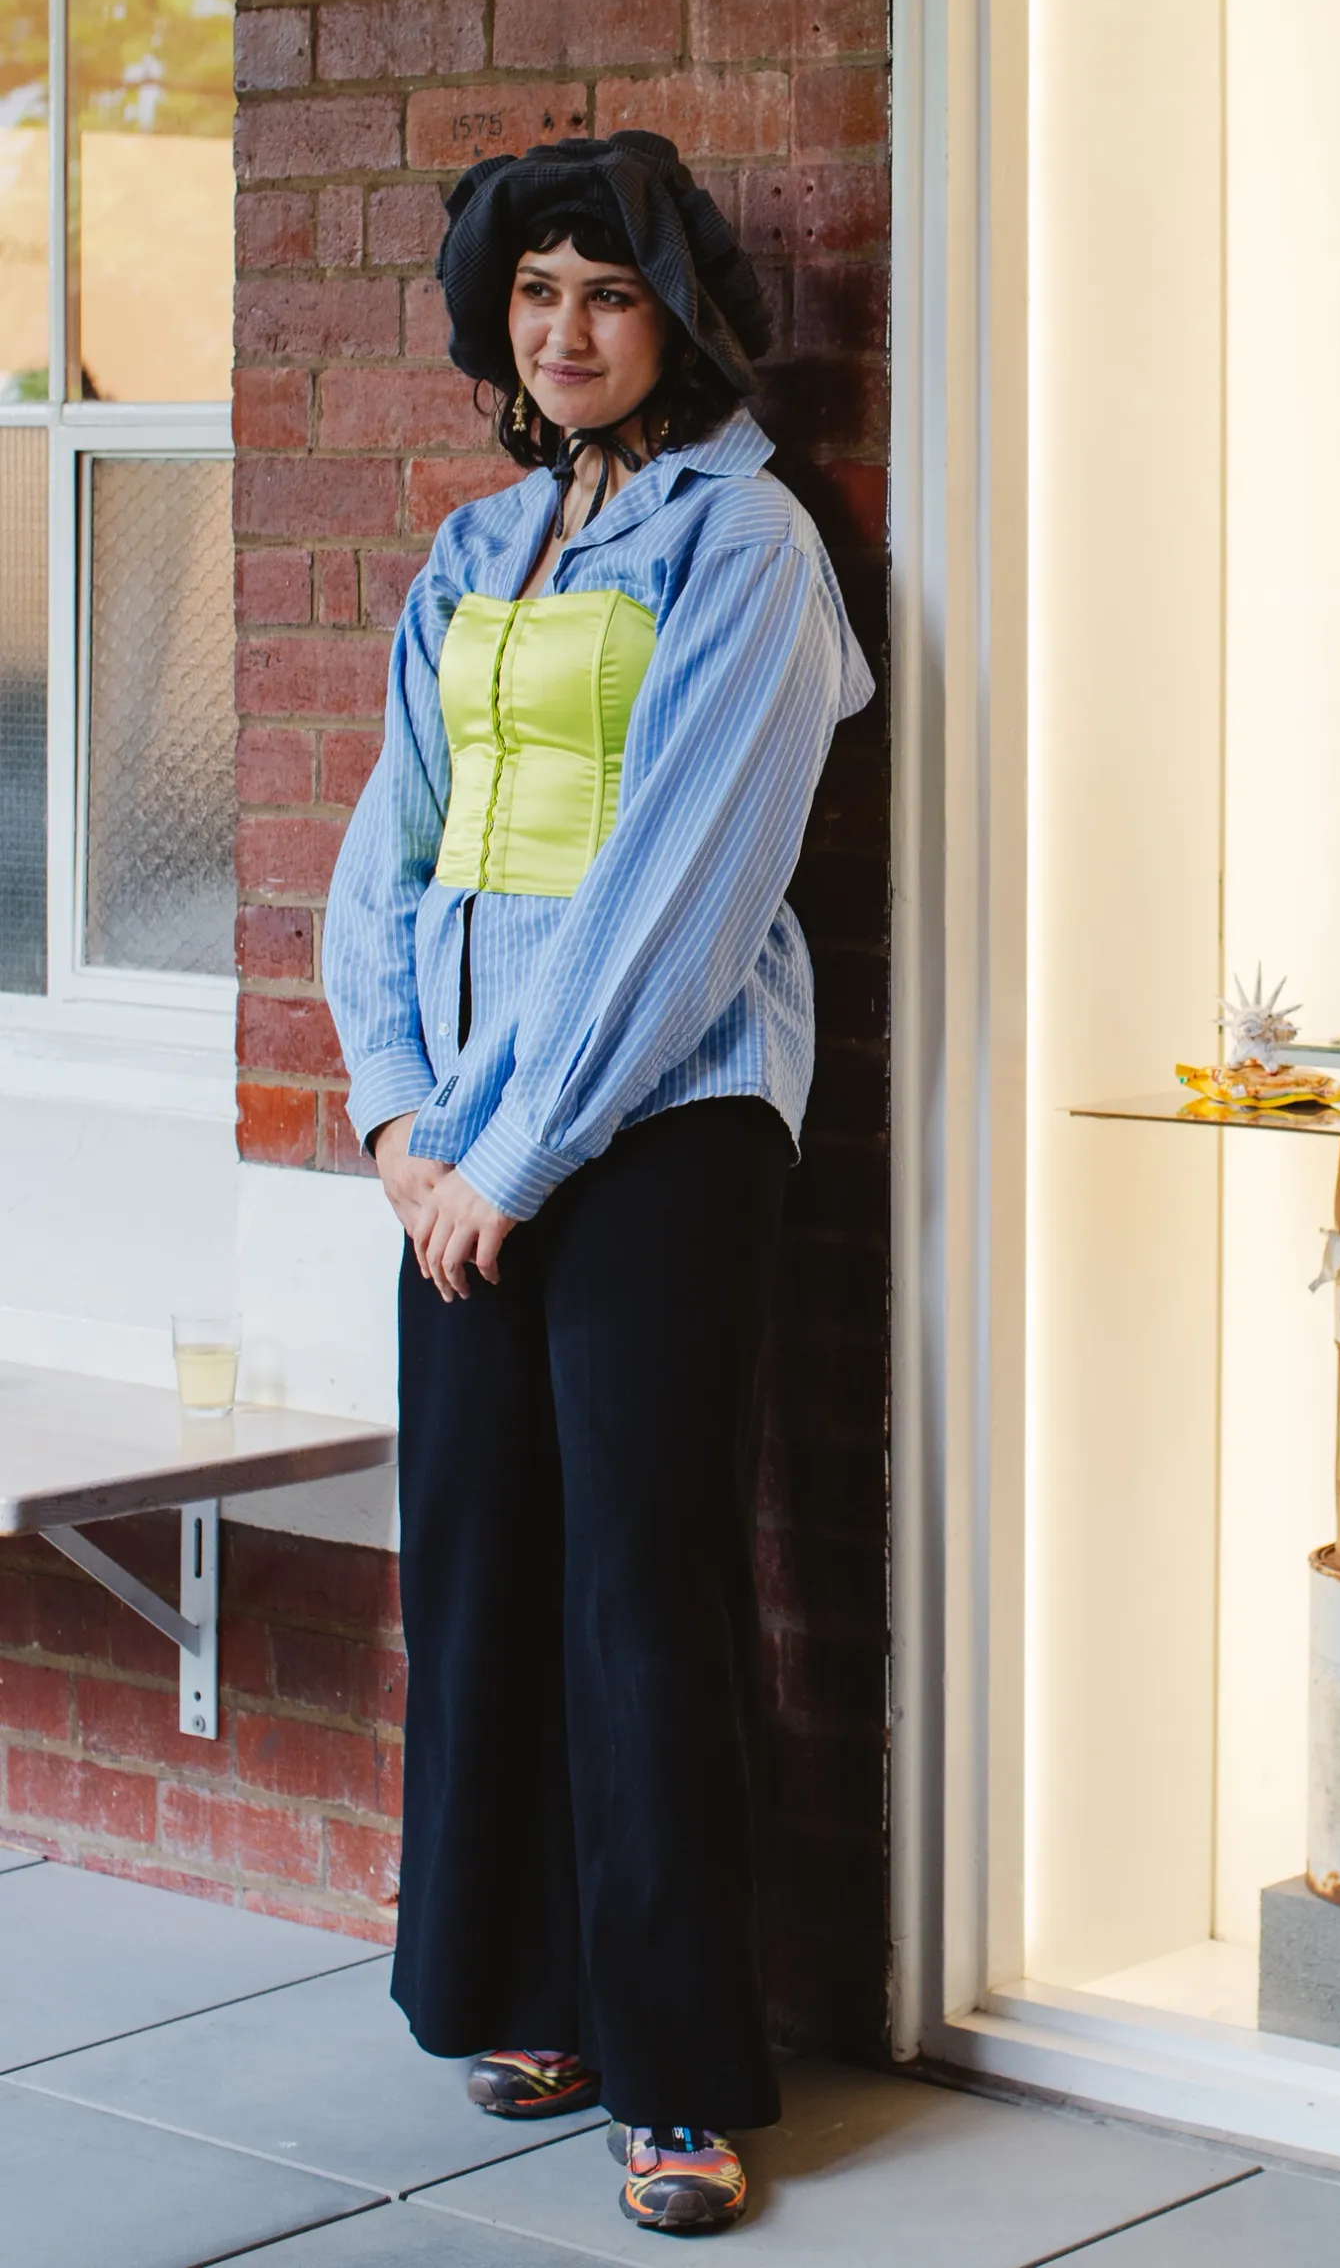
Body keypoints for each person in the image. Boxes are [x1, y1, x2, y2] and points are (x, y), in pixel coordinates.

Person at [323, 131, 874, 2237]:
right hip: (458, 1145)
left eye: (608, 292)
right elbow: (395, 852)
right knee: (480, 1565)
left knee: (645, 1589)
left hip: (661, 1132)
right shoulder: (479, 551)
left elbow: (690, 882)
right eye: (535, 292)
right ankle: (530, 1985)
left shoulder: (749, 549)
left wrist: (523, 1153)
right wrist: (401, 1123)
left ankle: (676, 2070)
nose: (566, 331)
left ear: (682, 316)